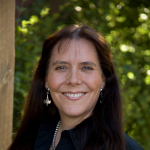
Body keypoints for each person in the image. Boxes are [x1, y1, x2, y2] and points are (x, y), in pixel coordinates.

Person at [9, 25, 144, 150]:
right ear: (45, 79)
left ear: (103, 80)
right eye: (61, 67)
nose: (73, 80)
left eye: (86, 68)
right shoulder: (30, 138)